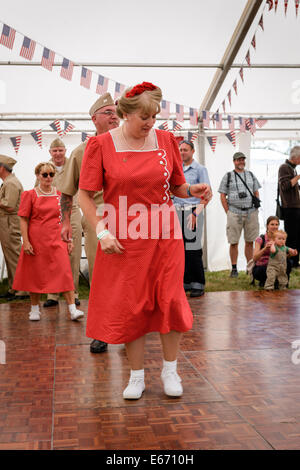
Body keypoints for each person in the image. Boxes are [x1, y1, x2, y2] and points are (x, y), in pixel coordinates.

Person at [78, 82, 212, 400]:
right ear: (125, 114)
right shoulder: (100, 146)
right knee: (132, 306)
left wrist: (190, 191)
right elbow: (84, 195)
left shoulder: (166, 140)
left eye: (154, 116)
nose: (150, 123)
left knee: (169, 299)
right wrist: (101, 231)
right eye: (144, 117)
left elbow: (177, 186)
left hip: (165, 236)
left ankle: (170, 370)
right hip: (123, 238)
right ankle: (136, 376)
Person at [58, 93, 120, 354]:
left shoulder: (131, 144)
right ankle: (101, 332)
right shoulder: (82, 151)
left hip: (132, 219)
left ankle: (130, 329)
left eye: (116, 111)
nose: (114, 115)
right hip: (98, 220)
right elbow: (67, 191)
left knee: (131, 277)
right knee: (100, 277)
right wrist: (64, 223)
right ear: (94, 119)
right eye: (107, 112)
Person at [12, 162, 84, 321]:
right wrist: (26, 241)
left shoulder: (60, 195)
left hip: (57, 238)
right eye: (45, 174)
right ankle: (34, 309)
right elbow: (23, 219)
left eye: (51, 174)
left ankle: (72, 309)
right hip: (36, 238)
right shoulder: (29, 195)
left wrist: (69, 240)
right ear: (37, 175)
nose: (48, 178)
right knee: (35, 274)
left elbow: (65, 219)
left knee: (64, 272)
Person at [42, 138, 82, 308]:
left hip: (72, 211)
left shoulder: (74, 163)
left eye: (60, 150)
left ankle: (73, 292)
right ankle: (53, 295)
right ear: (50, 152)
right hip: (52, 214)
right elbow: (40, 189)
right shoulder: (44, 168)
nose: (58, 153)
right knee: (53, 255)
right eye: (54, 150)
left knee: (73, 255)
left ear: (65, 150)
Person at [173, 140, 211, 297]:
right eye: (180, 150)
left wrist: (196, 213)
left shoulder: (200, 170)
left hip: (192, 212)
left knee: (193, 249)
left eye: (185, 150)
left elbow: (207, 195)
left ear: (193, 151)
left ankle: (198, 283)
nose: (182, 152)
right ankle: (185, 282)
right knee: (179, 250)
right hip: (176, 212)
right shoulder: (177, 169)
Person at [218, 151, 261, 277]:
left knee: (250, 241)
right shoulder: (228, 176)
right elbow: (222, 195)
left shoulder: (251, 175)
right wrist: (228, 212)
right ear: (234, 161)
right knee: (233, 242)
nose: (241, 162)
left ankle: (249, 267)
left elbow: (256, 192)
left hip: (251, 212)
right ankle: (234, 268)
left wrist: (255, 205)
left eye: (242, 159)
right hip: (234, 212)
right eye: (238, 160)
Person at [0, 154, 28, 300]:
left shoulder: (10, 183)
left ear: (2, 168)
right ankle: (14, 287)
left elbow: (9, 206)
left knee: (14, 257)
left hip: (10, 223)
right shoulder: (8, 182)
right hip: (7, 223)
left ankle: (22, 290)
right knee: (9, 256)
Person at [252, 215, 292, 287]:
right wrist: (264, 249)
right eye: (272, 224)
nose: (274, 227)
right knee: (263, 270)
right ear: (267, 226)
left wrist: (291, 254)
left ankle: (281, 282)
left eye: (276, 224)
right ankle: (266, 281)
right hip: (264, 265)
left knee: (289, 262)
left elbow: (283, 255)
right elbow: (255, 258)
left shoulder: (280, 238)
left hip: (277, 264)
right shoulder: (260, 239)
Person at [278, 145, 300, 268]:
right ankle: (290, 262)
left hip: (296, 207)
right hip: (290, 208)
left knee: (297, 235)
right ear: (295, 157)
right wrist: (298, 177)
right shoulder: (284, 168)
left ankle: (296, 261)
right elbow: (285, 186)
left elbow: (293, 186)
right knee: (291, 236)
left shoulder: (293, 168)